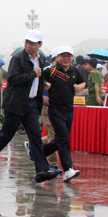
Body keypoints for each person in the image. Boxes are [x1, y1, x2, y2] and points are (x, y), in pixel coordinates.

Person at [0, 30, 59, 183]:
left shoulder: (41, 59)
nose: (28, 46)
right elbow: (12, 79)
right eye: (27, 42)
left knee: (35, 137)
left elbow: (38, 78)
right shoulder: (18, 59)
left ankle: (41, 170)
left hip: (32, 104)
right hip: (16, 103)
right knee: (6, 135)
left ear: (39, 45)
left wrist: (42, 83)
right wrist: (33, 74)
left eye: (32, 43)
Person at [40, 46, 86, 182]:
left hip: (69, 110)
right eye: (63, 55)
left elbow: (84, 81)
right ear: (57, 57)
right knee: (64, 139)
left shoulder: (75, 71)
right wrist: (45, 85)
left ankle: (37, 152)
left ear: (72, 57)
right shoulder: (51, 71)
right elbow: (38, 80)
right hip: (55, 110)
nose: (66, 58)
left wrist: (81, 86)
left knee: (61, 139)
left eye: (69, 55)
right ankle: (68, 170)